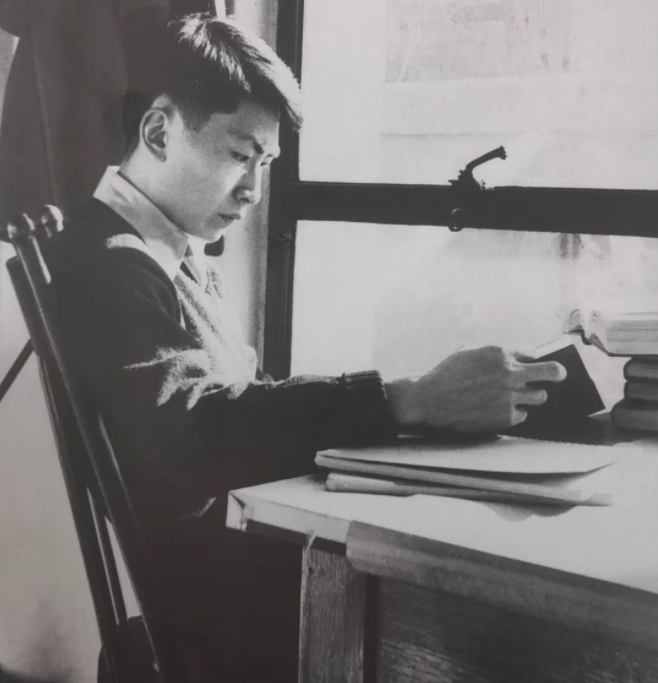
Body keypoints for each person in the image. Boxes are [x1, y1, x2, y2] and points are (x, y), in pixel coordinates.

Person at [47, 12, 566, 682]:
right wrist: (403, 400)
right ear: (158, 132)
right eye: (240, 156)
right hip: (219, 617)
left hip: (238, 578)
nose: (254, 192)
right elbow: (194, 431)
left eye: (265, 164)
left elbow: (242, 400)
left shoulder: (167, 255)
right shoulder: (110, 262)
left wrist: (412, 410)